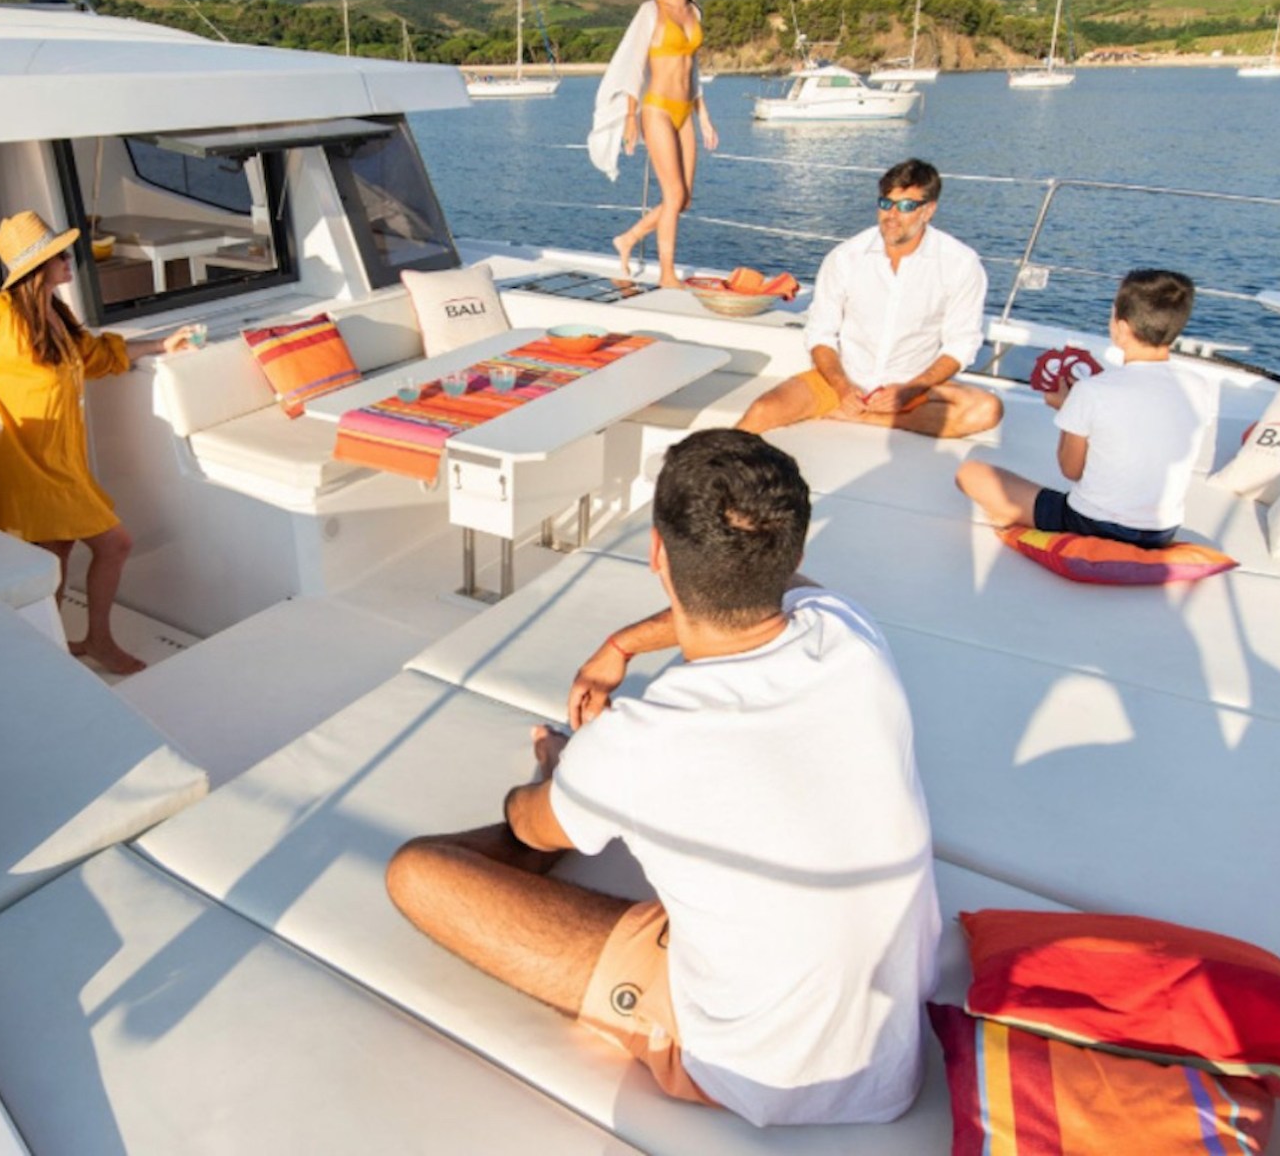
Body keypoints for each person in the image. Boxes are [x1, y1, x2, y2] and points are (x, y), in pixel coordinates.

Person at [385, 430, 940, 1127]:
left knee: (418, 872)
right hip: (889, 1046)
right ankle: (592, 804)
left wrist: (563, 775)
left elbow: (526, 822)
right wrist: (623, 645)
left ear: (656, 555)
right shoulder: (849, 633)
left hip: (757, 1066)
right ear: (794, 553)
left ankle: (586, 806)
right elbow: (791, 593)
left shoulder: (645, 740)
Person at [0, 211, 199, 675]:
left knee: (57, 554)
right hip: (25, 463)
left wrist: (163, 345)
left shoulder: (54, 312)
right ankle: (98, 641)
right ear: (36, 265)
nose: (70, 260)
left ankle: (51, 647)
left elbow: (92, 356)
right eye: (59, 254)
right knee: (116, 544)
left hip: (61, 462)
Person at [737, 158, 1001, 438]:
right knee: (762, 410)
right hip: (843, 381)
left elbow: (960, 344)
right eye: (886, 204)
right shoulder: (846, 257)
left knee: (987, 409)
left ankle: (867, 418)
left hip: (912, 388)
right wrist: (842, 387)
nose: (892, 215)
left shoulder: (959, 263)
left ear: (928, 210)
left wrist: (910, 389)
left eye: (907, 206)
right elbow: (820, 334)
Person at [956, 268, 1216, 547]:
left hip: (1090, 524)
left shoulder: (1092, 391)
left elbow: (1071, 469)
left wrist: (1068, 410)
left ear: (1122, 327)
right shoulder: (1201, 387)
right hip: (1161, 532)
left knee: (970, 474)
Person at [588, 0, 720, 289]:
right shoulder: (651, 11)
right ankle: (666, 275)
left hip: (685, 111)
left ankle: (629, 238)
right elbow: (633, 64)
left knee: (684, 199)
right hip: (657, 109)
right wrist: (631, 117)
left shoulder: (695, 12)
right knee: (673, 195)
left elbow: (692, 69)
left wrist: (703, 115)